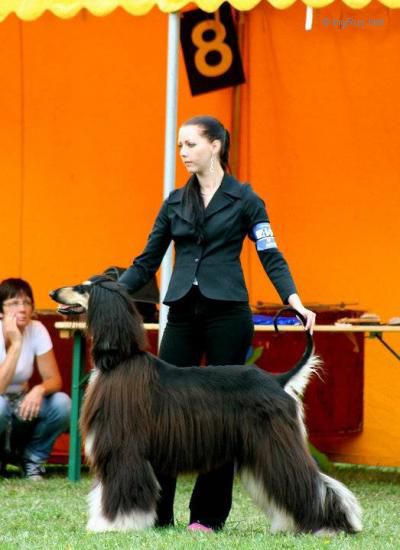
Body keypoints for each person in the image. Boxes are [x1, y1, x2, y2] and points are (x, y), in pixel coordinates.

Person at [118, 115, 316, 531]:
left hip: (228, 314)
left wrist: (293, 299)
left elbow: (270, 253)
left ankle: (207, 516)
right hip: (182, 313)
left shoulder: (246, 200)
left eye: (190, 144)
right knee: (162, 412)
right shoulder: (175, 201)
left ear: (216, 145)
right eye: (180, 145)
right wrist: (111, 293)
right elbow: (146, 262)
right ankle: (159, 512)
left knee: (227, 416)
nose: (183, 152)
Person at [0, 278, 71, 480]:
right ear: (1, 311)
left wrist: (39, 389)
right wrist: (16, 343)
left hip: (20, 405)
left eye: (27, 302)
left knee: (62, 404)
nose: (22, 309)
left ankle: (33, 459)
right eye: (14, 303)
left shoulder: (37, 329)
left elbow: (54, 379)